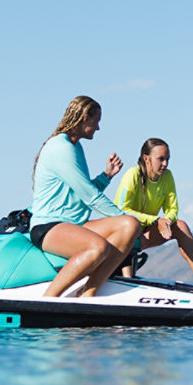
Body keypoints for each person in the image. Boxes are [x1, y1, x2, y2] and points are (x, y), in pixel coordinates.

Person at [29, 95, 141, 298]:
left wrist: (106, 176)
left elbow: (81, 193)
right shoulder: (61, 147)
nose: (98, 127)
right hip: (48, 227)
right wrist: (121, 214)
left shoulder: (75, 147)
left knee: (129, 226)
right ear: (83, 118)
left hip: (74, 223)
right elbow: (90, 196)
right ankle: (49, 299)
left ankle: (88, 294)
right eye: (96, 121)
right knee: (98, 246)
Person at [115, 137, 193, 286]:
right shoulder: (133, 174)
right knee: (132, 226)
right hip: (122, 234)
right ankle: (127, 280)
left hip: (144, 233)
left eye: (167, 159)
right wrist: (155, 220)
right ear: (146, 158)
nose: (165, 164)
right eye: (161, 159)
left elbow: (172, 209)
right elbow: (121, 211)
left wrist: (166, 221)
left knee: (181, 226)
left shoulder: (167, 176)